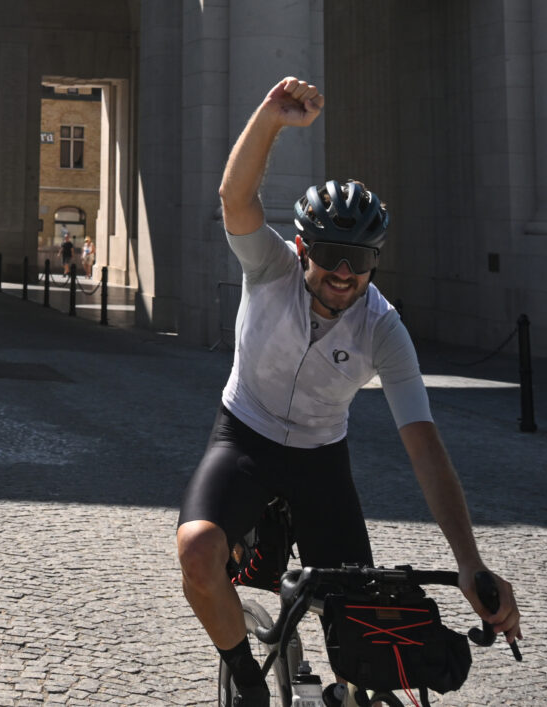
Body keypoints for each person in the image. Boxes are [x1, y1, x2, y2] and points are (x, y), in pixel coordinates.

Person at [176, 77, 522, 706]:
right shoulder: (270, 269)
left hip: (320, 462)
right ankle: (247, 679)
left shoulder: (383, 328)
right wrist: (271, 120)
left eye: (359, 260)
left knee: (367, 633)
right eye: (332, 254)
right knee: (199, 551)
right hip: (245, 437)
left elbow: (425, 447)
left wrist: (470, 562)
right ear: (303, 248)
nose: (343, 273)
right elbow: (235, 197)